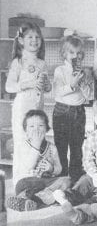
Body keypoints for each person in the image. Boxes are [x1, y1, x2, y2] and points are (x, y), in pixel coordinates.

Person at [5, 22, 51, 185]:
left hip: (38, 108)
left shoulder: (42, 63)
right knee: (22, 142)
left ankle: (31, 180)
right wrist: (27, 84)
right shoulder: (18, 61)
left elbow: (46, 87)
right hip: (22, 108)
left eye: (37, 37)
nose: (34, 40)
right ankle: (19, 180)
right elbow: (9, 87)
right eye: (30, 37)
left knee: (36, 141)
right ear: (21, 41)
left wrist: (46, 85)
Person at [6, 110, 71, 212]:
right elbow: (28, 166)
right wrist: (36, 144)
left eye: (40, 125)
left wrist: (51, 168)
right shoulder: (22, 146)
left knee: (66, 180)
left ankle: (35, 201)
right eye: (31, 126)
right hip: (25, 181)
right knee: (26, 187)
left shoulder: (52, 147)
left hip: (45, 183)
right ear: (26, 130)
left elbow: (59, 168)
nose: (36, 129)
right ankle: (26, 198)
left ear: (46, 129)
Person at [53, 35, 93, 182]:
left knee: (77, 145)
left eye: (79, 53)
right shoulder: (60, 70)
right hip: (62, 111)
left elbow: (89, 96)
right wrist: (72, 84)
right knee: (61, 145)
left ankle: (76, 176)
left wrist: (83, 83)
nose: (76, 56)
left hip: (79, 110)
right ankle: (62, 176)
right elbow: (58, 92)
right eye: (71, 53)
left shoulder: (86, 72)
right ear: (64, 54)